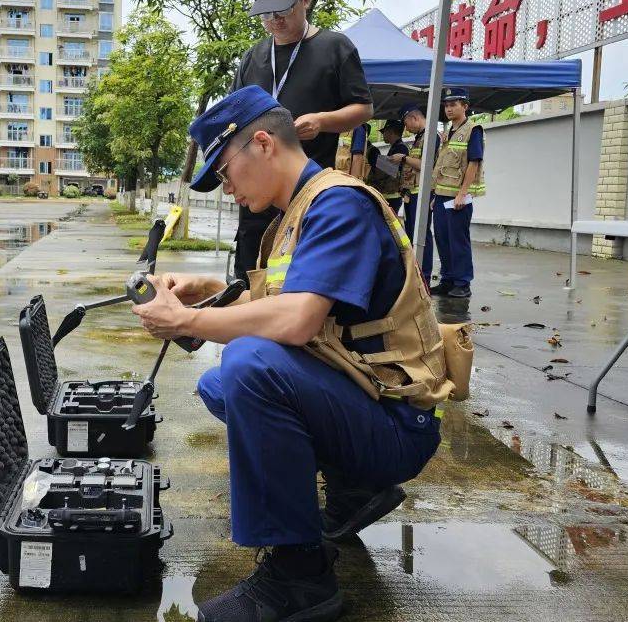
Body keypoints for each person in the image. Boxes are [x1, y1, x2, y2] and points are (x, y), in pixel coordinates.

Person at [133, 86, 450, 622]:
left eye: (226, 172)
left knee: (247, 367)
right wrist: (206, 289)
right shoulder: (295, 214)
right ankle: (354, 487)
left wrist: (187, 322)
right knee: (220, 384)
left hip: (400, 423)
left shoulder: (338, 203)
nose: (227, 189)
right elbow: (279, 302)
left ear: (261, 144)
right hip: (367, 401)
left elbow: (297, 320)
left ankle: (299, 576)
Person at [230, 0, 373, 282]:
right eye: (266, 15)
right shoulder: (254, 57)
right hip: (257, 190)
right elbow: (233, 118)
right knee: (249, 274)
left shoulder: (334, 48)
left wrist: (323, 121)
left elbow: (363, 108)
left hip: (309, 188)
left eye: (281, 11)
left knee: (302, 273)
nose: (274, 21)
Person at [431, 88, 485, 298]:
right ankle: (447, 280)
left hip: (458, 198)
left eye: (454, 104)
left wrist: (463, 193)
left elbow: (474, 162)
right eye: (447, 105)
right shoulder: (448, 132)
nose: (449, 108)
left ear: (465, 106)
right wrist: (436, 196)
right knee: (443, 239)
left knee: (458, 241)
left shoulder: (473, 130)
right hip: (442, 196)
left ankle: (462, 283)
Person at [390, 104, 438, 284]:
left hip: (423, 194)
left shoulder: (432, 136)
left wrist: (402, 158)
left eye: (406, 123)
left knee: (422, 234)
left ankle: (424, 274)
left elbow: (426, 165)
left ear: (414, 118)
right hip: (413, 193)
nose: (406, 128)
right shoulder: (420, 138)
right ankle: (416, 272)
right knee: (412, 233)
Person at [365, 119, 409, 214]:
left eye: (384, 132)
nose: (383, 135)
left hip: (393, 195)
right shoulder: (395, 147)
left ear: (390, 132)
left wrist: (373, 158)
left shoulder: (401, 148)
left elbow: (392, 170)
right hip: (388, 193)